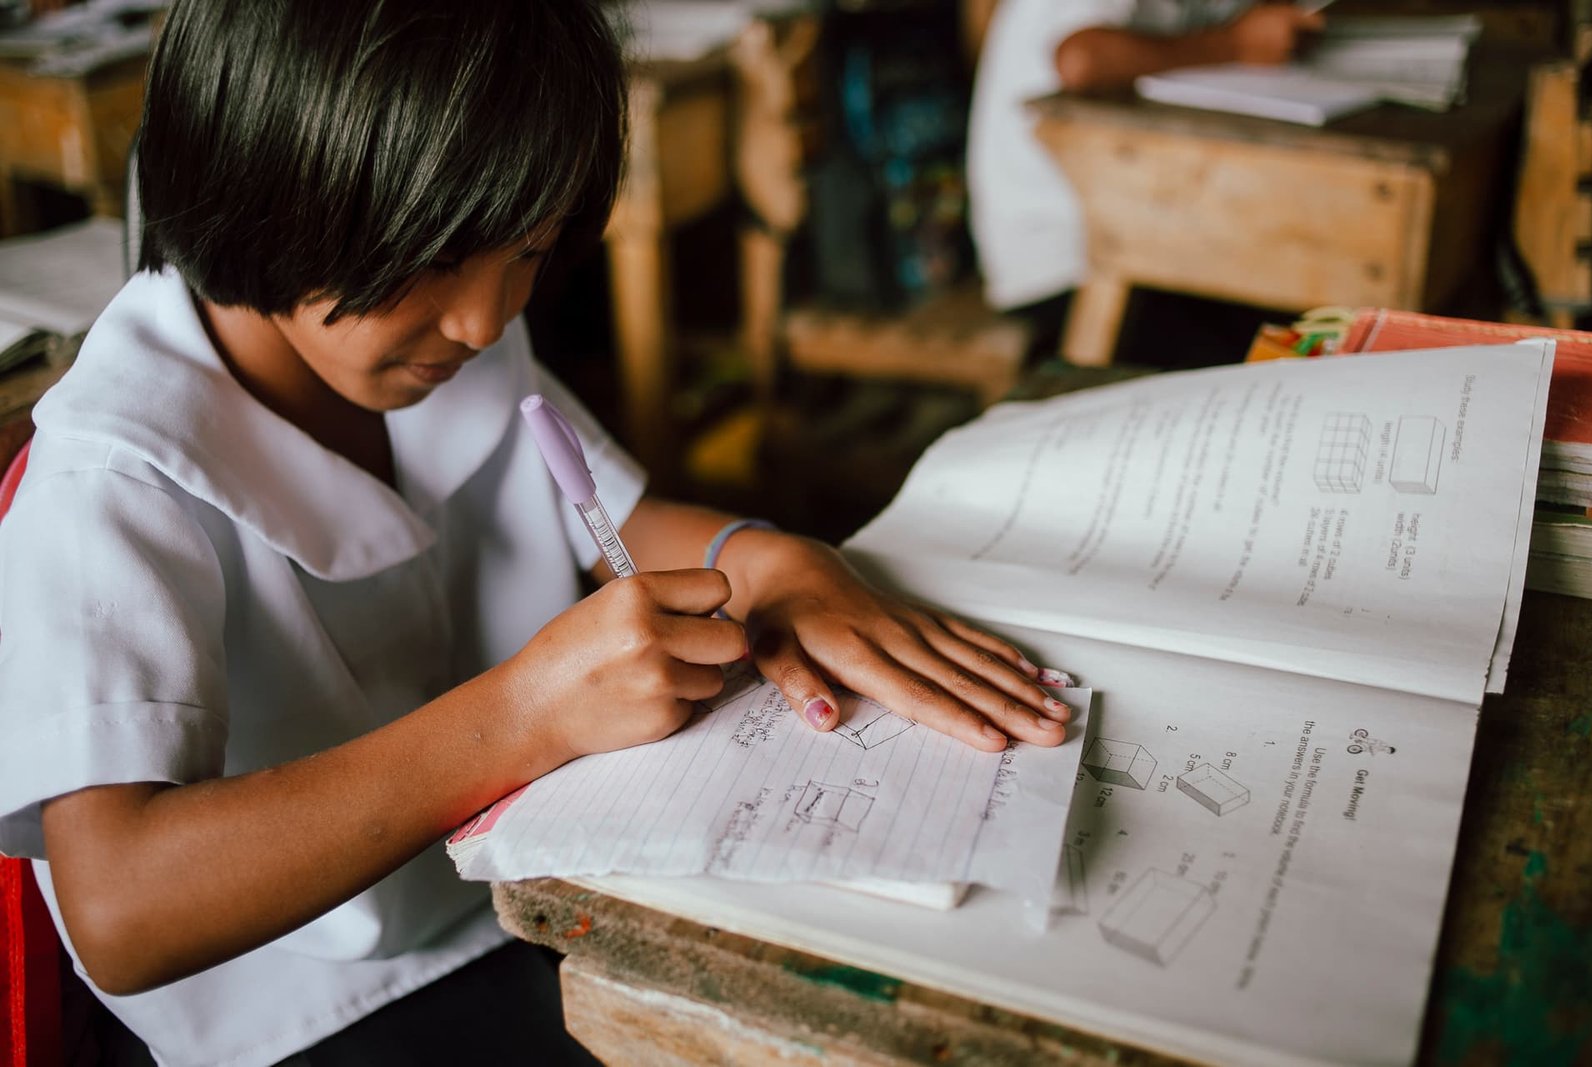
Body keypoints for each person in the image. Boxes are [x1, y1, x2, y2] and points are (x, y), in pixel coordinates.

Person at [0, 1, 1075, 1064]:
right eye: (439, 258)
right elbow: (122, 908)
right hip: (325, 1005)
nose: (483, 318)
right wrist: (526, 713)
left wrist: (778, 560)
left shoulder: (434, 339)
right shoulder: (115, 477)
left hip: (529, 890)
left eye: (526, 252)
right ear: (265, 189)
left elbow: (625, 520)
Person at [966, 0, 1325, 355]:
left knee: (1318, 327)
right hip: (1065, 263)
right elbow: (1082, 58)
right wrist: (1235, 43)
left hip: (1158, 237)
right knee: (1292, 354)